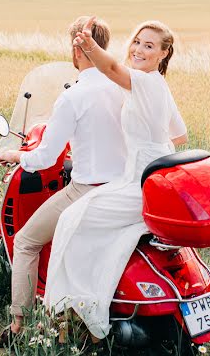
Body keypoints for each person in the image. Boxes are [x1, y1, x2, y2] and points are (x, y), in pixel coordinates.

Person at [44, 17, 187, 339]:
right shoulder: (155, 85)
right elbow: (180, 135)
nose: (138, 48)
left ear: (163, 54)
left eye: (149, 45)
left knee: (72, 219)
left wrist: (88, 44)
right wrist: (144, 145)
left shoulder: (145, 82)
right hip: (147, 176)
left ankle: (84, 315)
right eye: (137, 41)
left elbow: (110, 70)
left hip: (139, 182)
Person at [0, 16, 127, 344]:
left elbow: (43, 159)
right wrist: (73, 161)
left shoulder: (72, 97)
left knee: (25, 242)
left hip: (86, 191)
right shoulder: (122, 87)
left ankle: (18, 329)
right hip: (121, 191)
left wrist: (15, 155)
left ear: (77, 49)